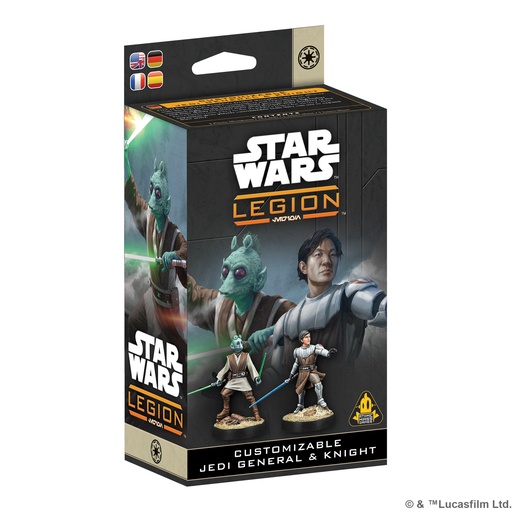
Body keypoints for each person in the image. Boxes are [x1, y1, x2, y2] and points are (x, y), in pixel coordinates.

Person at [271, 227, 387, 373]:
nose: (327, 261)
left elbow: (382, 307)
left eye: (333, 254)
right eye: (318, 254)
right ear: (303, 267)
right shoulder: (285, 322)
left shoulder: (348, 295)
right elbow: (276, 372)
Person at [125, 147, 187, 348]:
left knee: (174, 346)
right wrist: (124, 157)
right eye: (151, 189)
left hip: (168, 304)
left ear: (166, 202)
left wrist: (174, 255)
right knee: (133, 324)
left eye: (157, 192)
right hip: (152, 295)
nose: (152, 196)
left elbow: (186, 251)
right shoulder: (149, 220)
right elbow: (132, 195)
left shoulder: (174, 234)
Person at [213, 335, 262, 421]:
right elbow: (225, 369)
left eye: (241, 343)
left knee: (250, 397)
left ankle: (256, 413)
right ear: (232, 346)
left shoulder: (246, 356)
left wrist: (256, 377)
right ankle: (226, 410)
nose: (240, 344)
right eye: (238, 343)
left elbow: (251, 367)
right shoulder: (229, 358)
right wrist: (219, 379)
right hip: (233, 380)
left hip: (242, 380)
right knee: (224, 394)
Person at [286, 330, 337, 413]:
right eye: (306, 337)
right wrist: (291, 374)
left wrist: (328, 353)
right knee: (300, 389)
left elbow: (321, 351)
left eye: (309, 336)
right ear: (301, 340)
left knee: (318, 383)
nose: (309, 338)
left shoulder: (314, 348)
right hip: (302, 373)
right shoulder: (297, 351)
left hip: (311, 371)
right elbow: (296, 364)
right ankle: (300, 405)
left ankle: (320, 400)